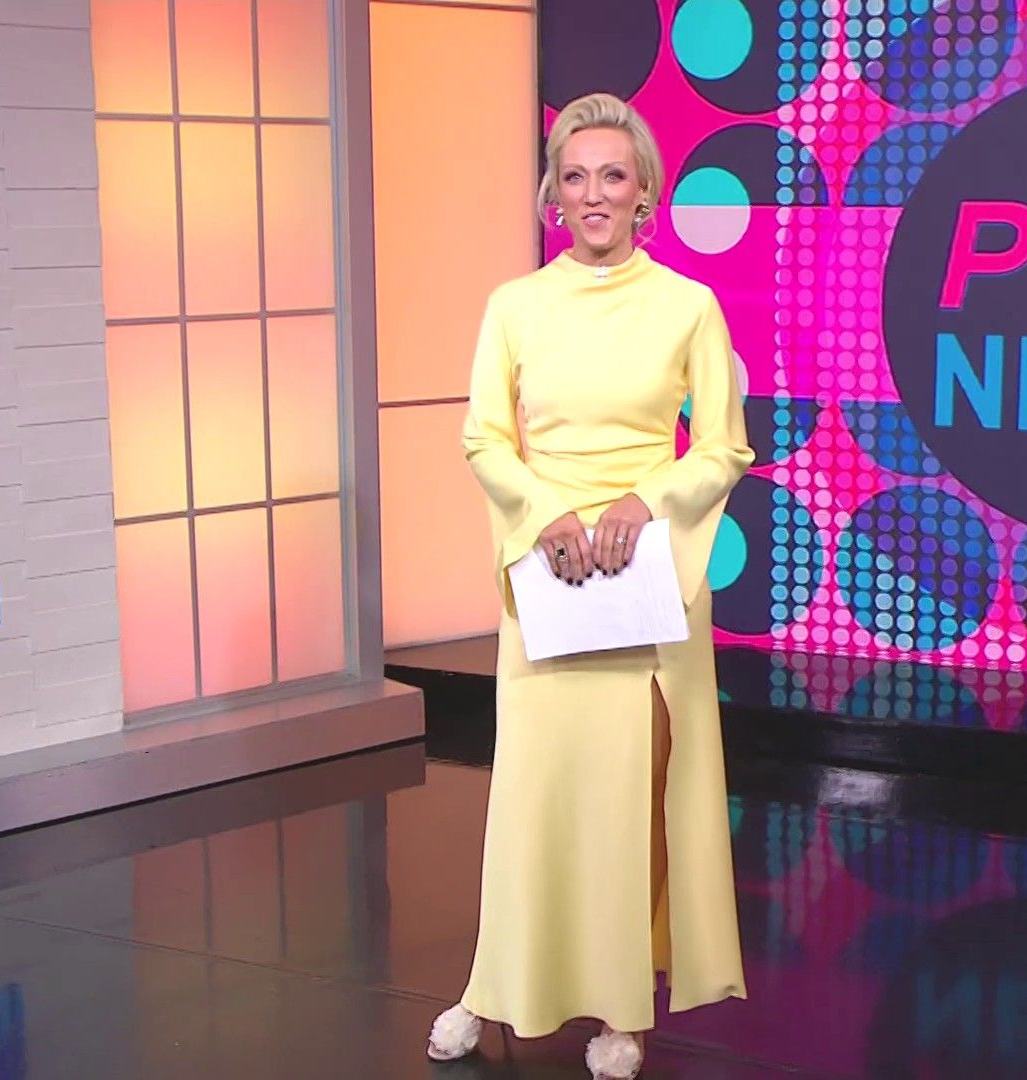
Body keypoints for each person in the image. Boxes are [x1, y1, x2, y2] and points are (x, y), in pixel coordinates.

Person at [424, 92, 754, 1079]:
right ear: (553, 195)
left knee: (625, 801)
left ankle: (621, 1007)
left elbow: (724, 447)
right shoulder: (514, 307)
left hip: (647, 582)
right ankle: (493, 989)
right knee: (531, 797)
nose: (594, 193)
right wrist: (544, 516)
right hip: (548, 575)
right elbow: (485, 438)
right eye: (575, 176)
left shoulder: (688, 306)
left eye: (613, 175)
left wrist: (647, 502)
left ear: (645, 191)